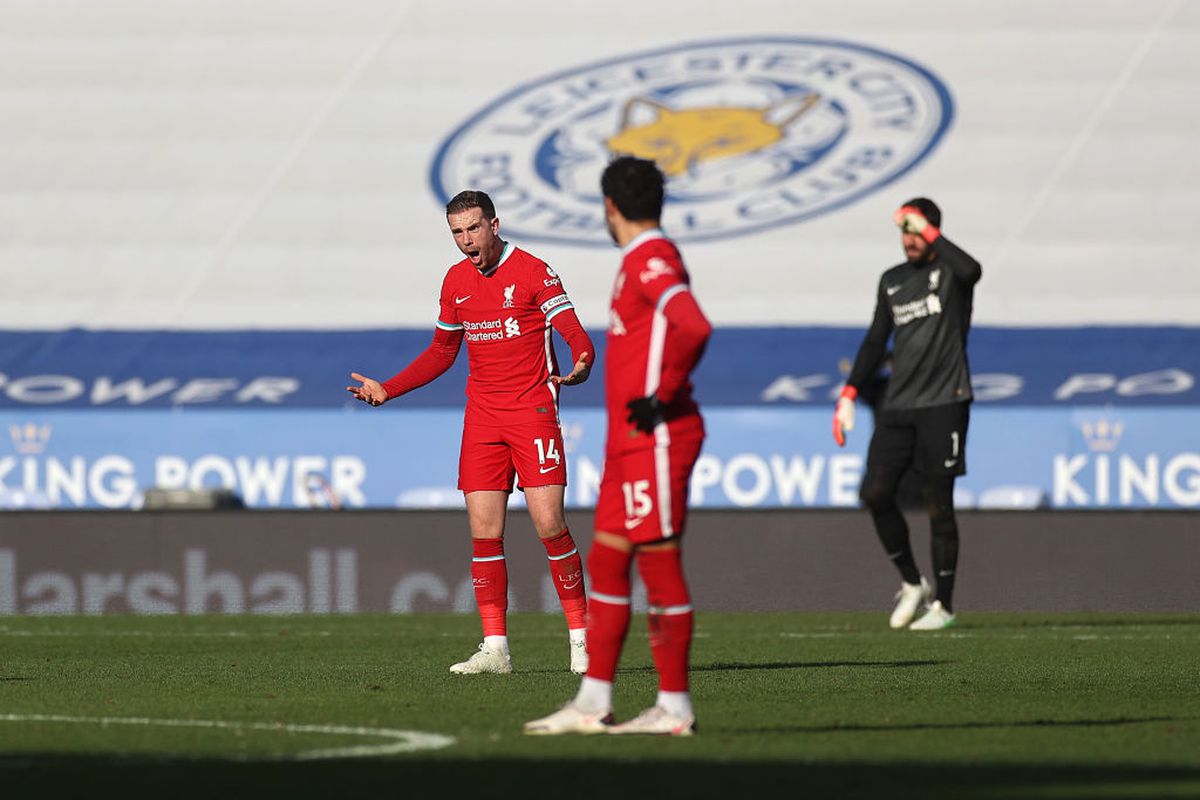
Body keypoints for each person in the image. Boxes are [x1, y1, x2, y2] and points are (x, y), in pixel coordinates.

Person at [347, 190, 594, 673]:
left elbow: (573, 331)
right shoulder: (456, 281)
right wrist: (388, 390)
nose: (466, 241)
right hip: (483, 419)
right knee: (485, 533)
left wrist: (584, 360)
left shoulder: (534, 271)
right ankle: (495, 648)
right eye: (457, 233)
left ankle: (582, 641)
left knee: (549, 524)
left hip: (532, 412)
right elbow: (442, 353)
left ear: (494, 225)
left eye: (473, 229)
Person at [524, 156, 712, 736]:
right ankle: (592, 702)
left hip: (655, 438)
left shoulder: (651, 256)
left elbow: (694, 325)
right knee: (607, 562)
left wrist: (664, 393)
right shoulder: (637, 259)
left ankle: (674, 708)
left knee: (659, 568)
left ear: (610, 207)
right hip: (627, 443)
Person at [833, 198, 982, 631]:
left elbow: (974, 270)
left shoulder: (953, 274)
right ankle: (911, 582)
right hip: (899, 406)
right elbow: (876, 340)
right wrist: (848, 394)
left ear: (933, 231)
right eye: (904, 231)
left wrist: (930, 230)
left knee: (939, 504)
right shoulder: (893, 280)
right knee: (876, 493)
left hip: (945, 402)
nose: (909, 240)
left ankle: (945, 606)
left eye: (916, 230)